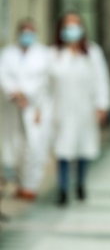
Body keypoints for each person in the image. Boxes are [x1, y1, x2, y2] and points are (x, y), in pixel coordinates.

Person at [49, 12, 110, 206]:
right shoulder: (53, 54)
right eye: (68, 26)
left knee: (84, 149)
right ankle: (63, 189)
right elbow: (45, 84)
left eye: (75, 25)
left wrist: (102, 105)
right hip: (60, 109)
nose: (72, 30)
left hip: (86, 109)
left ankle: (81, 184)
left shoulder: (93, 52)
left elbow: (101, 80)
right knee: (62, 151)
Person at [0, 19, 51, 201]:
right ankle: (20, 184)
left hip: (36, 107)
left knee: (35, 146)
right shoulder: (7, 53)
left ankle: (31, 185)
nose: (27, 35)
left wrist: (27, 96)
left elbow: (43, 81)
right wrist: (15, 94)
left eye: (31, 31)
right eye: (24, 31)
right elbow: (3, 75)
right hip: (13, 106)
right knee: (16, 147)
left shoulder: (44, 54)